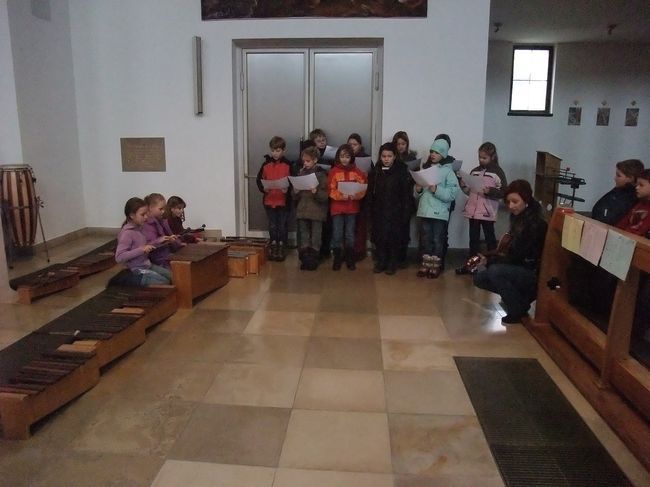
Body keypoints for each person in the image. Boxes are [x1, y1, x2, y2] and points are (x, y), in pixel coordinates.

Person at [473, 180, 547, 324]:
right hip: (520, 266)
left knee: (495, 271)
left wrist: (491, 261)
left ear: (526, 200)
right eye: (508, 202)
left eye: (515, 201)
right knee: (479, 278)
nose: (510, 206)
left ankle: (517, 309)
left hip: (532, 272)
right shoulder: (518, 217)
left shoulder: (535, 223)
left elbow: (519, 255)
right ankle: (520, 301)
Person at [456, 142, 507, 274]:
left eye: (484, 158)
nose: (481, 160)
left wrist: (489, 191)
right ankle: (471, 265)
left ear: (492, 157)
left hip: (487, 211)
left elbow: (503, 192)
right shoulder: (475, 171)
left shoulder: (497, 172)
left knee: (490, 239)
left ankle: (492, 266)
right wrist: (463, 184)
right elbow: (469, 191)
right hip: (473, 211)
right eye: (480, 157)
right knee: (473, 240)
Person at [414, 138, 459, 278]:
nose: (433, 154)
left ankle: (435, 267)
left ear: (444, 154)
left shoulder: (448, 172)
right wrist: (418, 189)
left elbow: (452, 194)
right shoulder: (425, 169)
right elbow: (418, 195)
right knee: (425, 239)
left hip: (439, 214)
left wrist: (436, 189)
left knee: (437, 240)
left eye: (437, 152)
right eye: (432, 151)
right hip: (425, 211)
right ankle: (425, 265)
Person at [368, 142, 412, 274]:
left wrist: (405, 212)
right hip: (379, 210)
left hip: (395, 210)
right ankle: (381, 261)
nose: (386, 159)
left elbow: (405, 194)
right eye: (383, 156)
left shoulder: (401, 171)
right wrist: (370, 209)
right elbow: (371, 192)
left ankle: (393, 263)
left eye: (389, 156)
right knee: (380, 237)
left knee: (394, 238)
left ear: (394, 156)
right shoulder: (376, 171)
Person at [115, 197, 172, 286]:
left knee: (172, 276)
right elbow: (119, 257)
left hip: (147, 265)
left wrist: (159, 241)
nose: (146, 217)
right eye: (142, 214)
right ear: (132, 215)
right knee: (163, 282)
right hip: (135, 270)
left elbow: (146, 246)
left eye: (146, 213)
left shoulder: (140, 228)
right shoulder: (127, 233)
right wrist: (141, 250)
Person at [328, 144, 367, 271]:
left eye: (347, 157)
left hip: (352, 208)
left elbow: (363, 187)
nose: (344, 159)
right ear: (338, 157)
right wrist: (340, 196)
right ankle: (337, 258)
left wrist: (356, 195)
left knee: (350, 234)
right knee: (337, 234)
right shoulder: (333, 171)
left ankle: (350, 258)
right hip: (337, 208)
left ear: (352, 157)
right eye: (342, 156)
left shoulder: (357, 172)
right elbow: (330, 189)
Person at [256, 136, 292, 261]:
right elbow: (259, 180)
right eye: (273, 150)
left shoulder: (288, 165)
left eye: (278, 150)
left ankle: (282, 247)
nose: (275, 153)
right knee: (272, 225)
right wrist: (263, 188)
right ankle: (273, 245)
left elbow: (293, 181)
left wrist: (288, 190)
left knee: (282, 225)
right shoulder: (266, 165)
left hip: (283, 201)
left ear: (283, 151)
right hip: (269, 200)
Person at [294, 146, 329, 270]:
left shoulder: (322, 175)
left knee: (315, 236)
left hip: (317, 212)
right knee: (303, 236)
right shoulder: (301, 173)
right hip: (303, 210)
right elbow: (294, 197)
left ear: (315, 160)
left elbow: (325, 196)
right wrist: (296, 191)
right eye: (304, 161)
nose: (305, 163)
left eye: (308, 161)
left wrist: (315, 192)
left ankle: (314, 259)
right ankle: (305, 259)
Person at [392, 131, 418, 267]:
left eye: (403, 143)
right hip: (394, 198)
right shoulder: (391, 157)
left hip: (407, 198)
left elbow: (418, 178)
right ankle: (394, 256)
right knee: (394, 228)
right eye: (398, 144)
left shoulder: (412, 158)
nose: (400, 146)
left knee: (404, 229)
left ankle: (403, 256)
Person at [592, 159, 644, 225]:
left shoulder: (629, 198)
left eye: (618, 175)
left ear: (630, 178)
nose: (615, 178)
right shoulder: (619, 190)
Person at [142, 193, 184, 268]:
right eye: (161, 209)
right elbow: (147, 247)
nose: (164, 211)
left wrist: (176, 241)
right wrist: (160, 240)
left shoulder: (162, 221)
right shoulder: (145, 225)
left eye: (164, 209)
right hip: (158, 261)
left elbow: (169, 238)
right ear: (150, 208)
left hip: (167, 256)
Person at [347, 133, 371, 262]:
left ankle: (359, 250)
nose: (352, 147)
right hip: (347, 197)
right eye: (350, 144)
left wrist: (367, 175)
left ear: (360, 145)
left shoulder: (366, 159)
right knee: (348, 225)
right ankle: (348, 250)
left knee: (360, 225)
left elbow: (373, 176)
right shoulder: (344, 158)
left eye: (355, 144)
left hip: (362, 197)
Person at [616, 168, 650, 236]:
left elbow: (641, 232)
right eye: (636, 185)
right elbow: (622, 224)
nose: (636, 187)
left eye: (641, 185)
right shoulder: (639, 204)